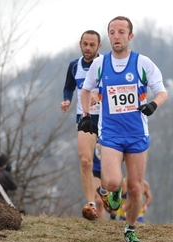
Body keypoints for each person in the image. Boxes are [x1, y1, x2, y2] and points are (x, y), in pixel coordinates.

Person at [80, 16, 168, 242]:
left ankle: (129, 230)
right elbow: (86, 90)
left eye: (121, 32)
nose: (116, 36)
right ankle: (108, 192)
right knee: (112, 183)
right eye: (112, 32)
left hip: (137, 134)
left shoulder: (142, 63)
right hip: (110, 134)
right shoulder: (100, 64)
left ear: (130, 36)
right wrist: (87, 115)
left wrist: (153, 105)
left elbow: (162, 92)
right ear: (108, 36)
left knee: (135, 187)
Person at [60, 30, 104, 220]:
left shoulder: (106, 64)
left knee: (108, 164)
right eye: (85, 44)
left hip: (106, 118)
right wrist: (67, 100)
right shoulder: (74, 65)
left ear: (99, 47)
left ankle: (107, 191)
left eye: (92, 45)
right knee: (85, 160)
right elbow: (69, 86)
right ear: (80, 44)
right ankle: (91, 204)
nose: (87, 48)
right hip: (84, 116)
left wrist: (100, 95)